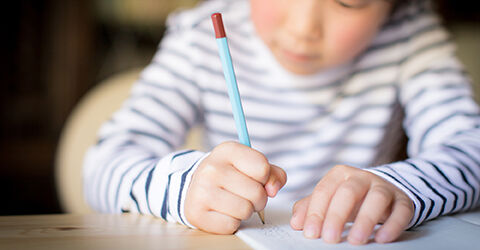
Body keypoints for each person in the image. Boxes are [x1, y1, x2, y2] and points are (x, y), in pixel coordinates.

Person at [83, 0, 480, 245]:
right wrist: (184, 187)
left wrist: (404, 187)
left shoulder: (410, 35)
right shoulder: (199, 37)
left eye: (349, 0)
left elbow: (471, 149)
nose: (303, 28)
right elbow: (102, 166)